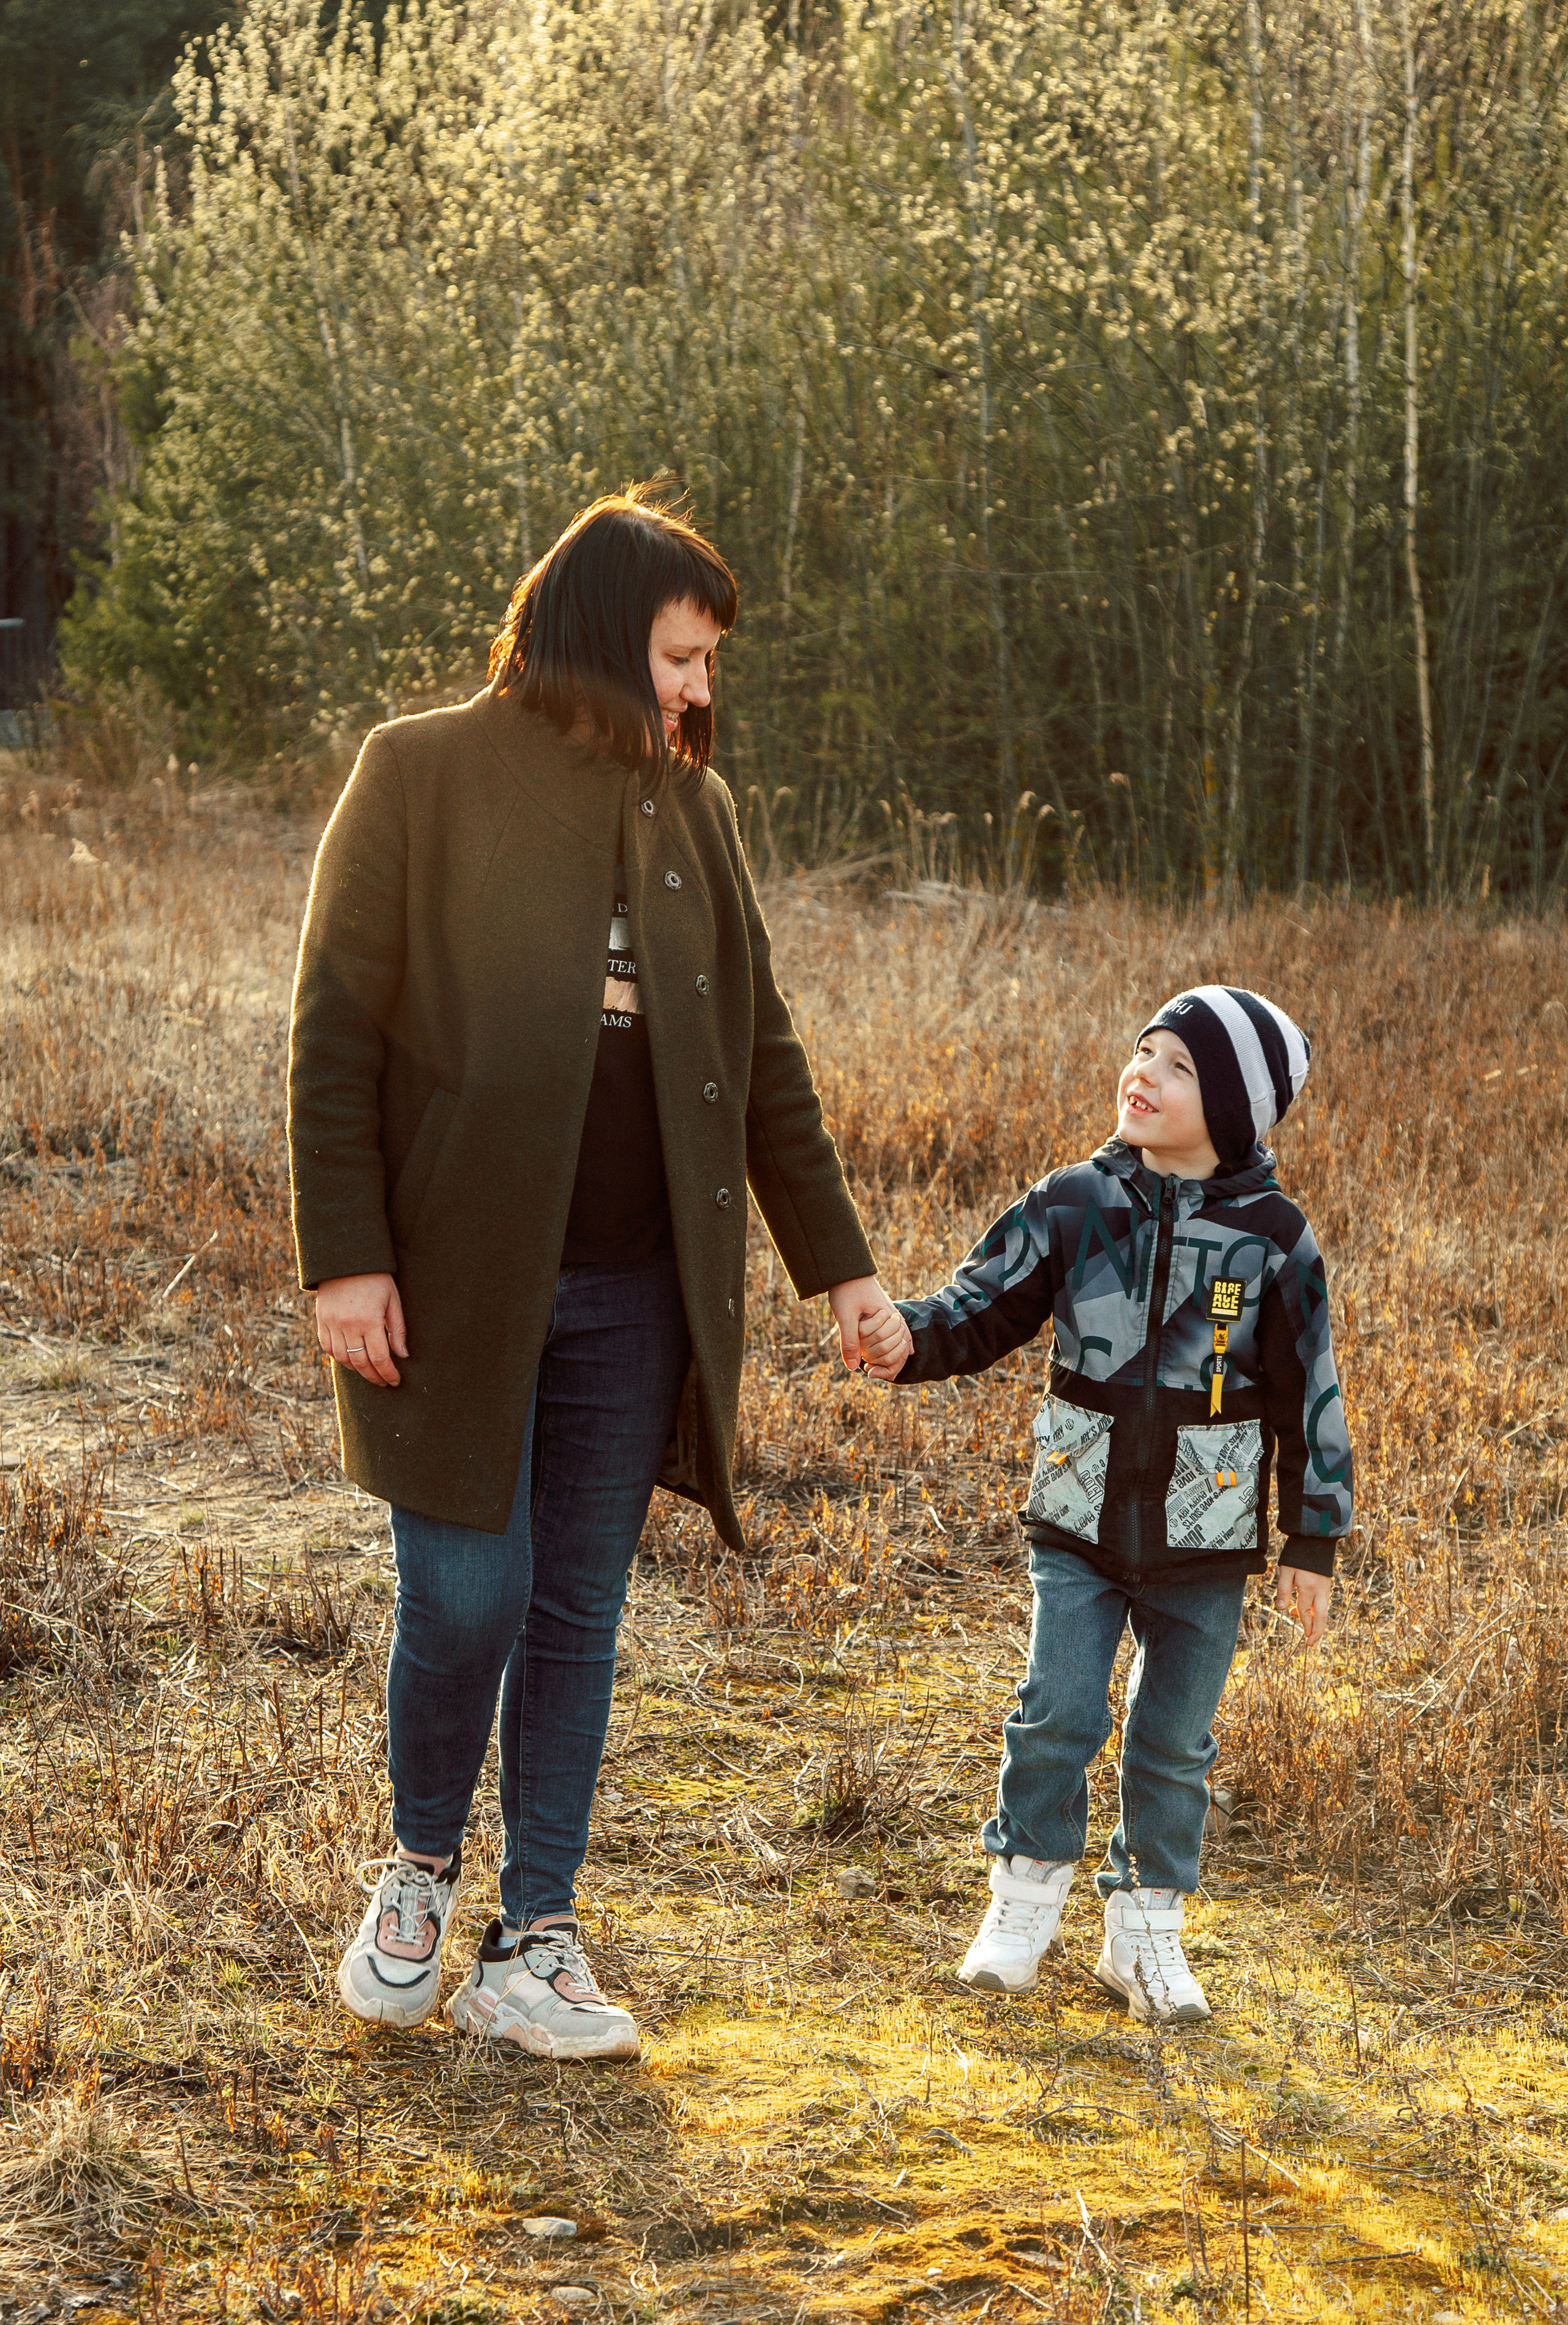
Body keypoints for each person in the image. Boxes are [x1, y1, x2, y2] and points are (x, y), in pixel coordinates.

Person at [288, 487, 902, 2059]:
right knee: (468, 1598)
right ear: (598, 630)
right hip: (453, 1288)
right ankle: (419, 1871)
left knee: (576, 1611)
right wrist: (343, 1257)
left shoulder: (694, 811)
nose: (700, 688)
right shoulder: (416, 771)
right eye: (682, 655)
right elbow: (334, 1032)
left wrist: (837, 1270)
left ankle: (533, 1940)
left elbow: (763, 1056)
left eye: (706, 661)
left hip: (640, 1294)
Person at [857, 986, 1353, 2023]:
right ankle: (1024, 1901)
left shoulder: (1274, 1239)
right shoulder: (1075, 1201)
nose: (1147, 1075)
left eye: (1179, 1067)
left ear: (1234, 1108)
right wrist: (908, 1337)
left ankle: (1146, 1933)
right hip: (1077, 1519)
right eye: (1144, 1051)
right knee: (1058, 1714)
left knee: (1174, 1743)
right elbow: (979, 1305)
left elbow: (1310, 1389)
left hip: (1207, 1540)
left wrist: (1314, 1536)